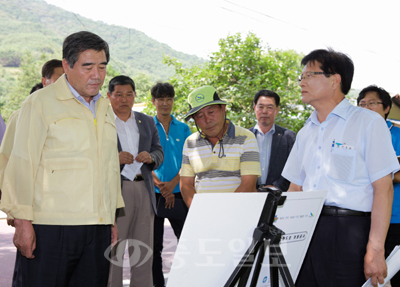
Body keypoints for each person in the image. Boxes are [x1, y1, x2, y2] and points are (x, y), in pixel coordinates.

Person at [0, 31, 124, 286]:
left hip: (97, 227)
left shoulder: (104, 108)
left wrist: (109, 218)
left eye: (102, 67)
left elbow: (109, 167)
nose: (97, 75)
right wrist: (21, 221)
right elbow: (22, 163)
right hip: (51, 228)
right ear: (66, 65)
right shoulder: (40, 103)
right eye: (87, 66)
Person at [282, 48, 399, 287]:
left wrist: (376, 250)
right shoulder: (306, 132)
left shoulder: (368, 122)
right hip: (306, 230)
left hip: (349, 232)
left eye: (309, 75)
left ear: (335, 79)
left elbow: (383, 189)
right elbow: (295, 188)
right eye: (300, 77)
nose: (302, 82)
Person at [107, 75, 164, 287]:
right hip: (116, 190)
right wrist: (114, 159)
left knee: (143, 251)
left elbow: (159, 150)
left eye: (129, 94)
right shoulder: (101, 122)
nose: (124, 99)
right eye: (118, 94)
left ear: (135, 96)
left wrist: (152, 157)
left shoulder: (147, 121)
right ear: (109, 96)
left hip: (144, 188)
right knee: (114, 250)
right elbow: (92, 157)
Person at [0, 59, 65, 225]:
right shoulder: (21, 115)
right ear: (45, 81)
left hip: (69, 208)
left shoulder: (79, 117)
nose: (66, 85)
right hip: (37, 209)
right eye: (60, 78)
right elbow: (7, 161)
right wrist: (13, 209)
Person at [180, 85, 261, 208]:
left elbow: (248, 185)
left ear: (223, 109)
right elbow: (186, 185)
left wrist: (223, 215)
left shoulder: (246, 137)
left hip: (238, 213)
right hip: (202, 215)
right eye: (200, 116)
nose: (207, 120)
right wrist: (197, 211)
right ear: (194, 119)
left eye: (211, 112)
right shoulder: (190, 143)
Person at [357, 85, 400, 286]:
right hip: (361, 218)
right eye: (361, 104)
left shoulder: (397, 133)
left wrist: (374, 175)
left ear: (387, 108)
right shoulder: (352, 135)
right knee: (361, 274)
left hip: (395, 218)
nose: (366, 108)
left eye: (372, 103)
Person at [150, 82, 192, 287]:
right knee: (154, 246)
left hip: (179, 193)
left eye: (169, 98)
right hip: (154, 194)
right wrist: (160, 186)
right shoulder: (146, 126)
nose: (165, 103)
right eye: (161, 99)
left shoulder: (183, 128)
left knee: (186, 242)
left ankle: (187, 281)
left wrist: (173, 184)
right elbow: (144, 161)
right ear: (153, 101)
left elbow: (190, 160)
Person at [249, 89, 296, 191]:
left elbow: (293, 167)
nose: (264, 111)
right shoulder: (245, 136)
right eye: (260, 107)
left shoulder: (288, 137)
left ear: (277, 110)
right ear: (254, 108)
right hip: (250, 194)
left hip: (278, 196)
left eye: (269, 107)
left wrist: (276, 187)